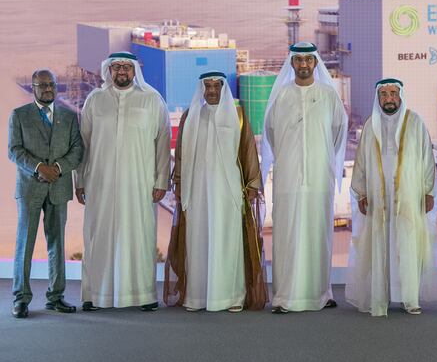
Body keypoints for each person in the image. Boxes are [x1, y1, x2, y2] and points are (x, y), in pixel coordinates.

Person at [75, 52, 170, 311]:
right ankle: (96, 295)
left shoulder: (151, 101)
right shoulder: (95, 100)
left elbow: (162, 143)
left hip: (139, 184)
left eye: (126, 67)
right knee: (99, 235)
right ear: (109, 70)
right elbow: (83, 144)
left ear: (134, 71)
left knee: (138, 235)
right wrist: (80, 180)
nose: (121, 72)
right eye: (116, 67)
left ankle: (142, 295)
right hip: (100, 183)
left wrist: (161, 179)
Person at [164, 72, 266, 312]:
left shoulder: (237, 116)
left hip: (227, 193)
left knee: (227, 241)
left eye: (216, 86)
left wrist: (252, 184)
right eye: (207, 86)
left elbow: (248, 150)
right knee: (198, 241)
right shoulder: (191, 116)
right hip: (196, 192)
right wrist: (178, 182)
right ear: (201, 89)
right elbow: (180, 155)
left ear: (224, 88)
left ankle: (231, 297)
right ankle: (197, 297)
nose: (211, 90)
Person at [261, 43, 347, 313]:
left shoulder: (329, 96)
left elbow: (337, 134)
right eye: (298, 60)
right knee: (287, 236)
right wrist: (292, 159)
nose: (303, 65)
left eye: (308, 60)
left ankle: (320, 294)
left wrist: (317, 158)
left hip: (320, 178)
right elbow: (272, 136)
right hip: (288, 180)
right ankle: (285, 296)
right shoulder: (281, 97)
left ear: (315, 62)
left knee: (319, 236)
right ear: (292, 63)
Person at [346, 79, 437, 316]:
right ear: (378, 98)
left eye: (393, 93)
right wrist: (361, 192)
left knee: (408, 245)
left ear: (400, 96)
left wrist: (429, 191)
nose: (388, 98)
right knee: (380, 245)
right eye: (384, 94)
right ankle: (381, 298)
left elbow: (427, 160)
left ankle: (410, 298)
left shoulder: (415, 122)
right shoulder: (370, 125)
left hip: (408, 196)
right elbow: (360, 163)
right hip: (378, 199)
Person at [8, 70, 84, 318]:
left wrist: (58, 169)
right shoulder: (19, 115)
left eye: (51, 84)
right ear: (33, 88)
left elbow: (77, 150)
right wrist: (40, 168)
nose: (49, 88)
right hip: (30, 188)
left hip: (59, 188)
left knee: (57, 244)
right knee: (24, 245)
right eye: (43, 85)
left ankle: (56, 297)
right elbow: (14, 151)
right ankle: (21, 299)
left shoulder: (70, 117)